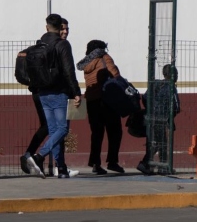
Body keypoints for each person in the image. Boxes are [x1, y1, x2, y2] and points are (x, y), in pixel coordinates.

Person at [22, 15, 82, 178]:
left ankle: (61, 169)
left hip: (42, 93)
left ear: (47, 27)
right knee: (62, 129)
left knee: (54, 130)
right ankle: (39, 156)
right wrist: (76, 92)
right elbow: (69, 70)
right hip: (59, 91)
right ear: (60, 27)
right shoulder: (62, 44)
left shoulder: (40, 44)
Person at [78, 40, 123, 174]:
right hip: (106, 100)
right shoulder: (104, 58)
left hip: (92, 101)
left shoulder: (87, 63)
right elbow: (115, 75)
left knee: (97, 133)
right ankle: (112, 162)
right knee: (115, 131)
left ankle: (96, 164)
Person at [136, 63, 181, 175]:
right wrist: (170, 116)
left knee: (156, 142)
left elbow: (145, 97)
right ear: (173, 75)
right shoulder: (172, 87)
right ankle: (156, 165)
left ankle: (154, 165)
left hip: (151, 118)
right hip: (163, 118)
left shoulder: (156, 84)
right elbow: (176, 106)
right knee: (162, 143)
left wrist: (150, 110)